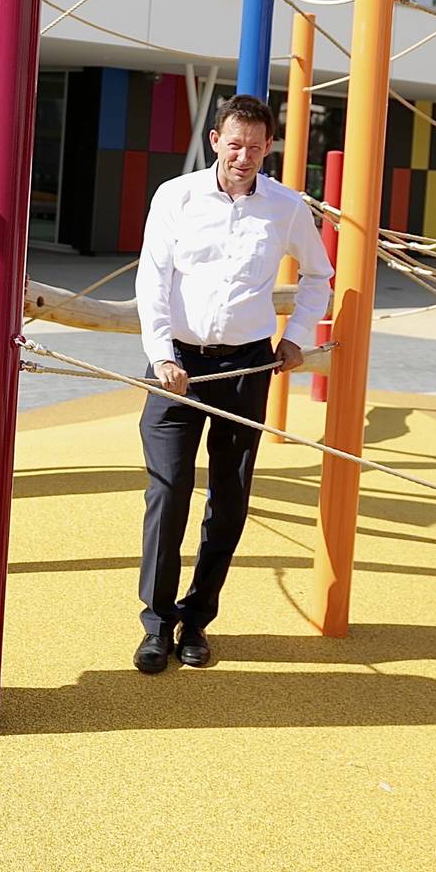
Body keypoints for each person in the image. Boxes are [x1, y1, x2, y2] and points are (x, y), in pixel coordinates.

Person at [131, 93, 332, 674]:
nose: (243, 156)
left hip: (246, 367)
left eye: (255, 146)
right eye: (234, 144)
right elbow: (153, 279)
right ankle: (156, 621)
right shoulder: (176, 196)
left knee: (230, 497)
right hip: (177, 367)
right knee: (167, 491)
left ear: (269, 147)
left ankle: (196, 619)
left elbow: (319, 275)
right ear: (215, 140)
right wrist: (161, 353)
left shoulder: (286, 207)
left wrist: (295, 336)